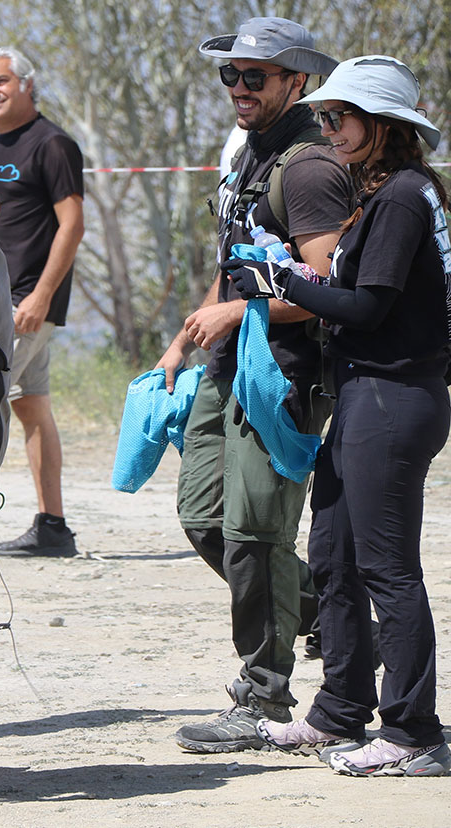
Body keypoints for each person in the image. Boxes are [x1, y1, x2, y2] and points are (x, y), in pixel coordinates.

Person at [229, 55, 451, 777]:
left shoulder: (402, 198)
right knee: (332, 554)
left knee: (388, 570)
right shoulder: (386, 194)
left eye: (340, 117)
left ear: (383, 125)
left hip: (392, 397)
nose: (328, 129)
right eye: (323, 118)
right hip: (369, 393)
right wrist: (287, 275)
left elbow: (367, 306)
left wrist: (284, 282)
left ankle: (414, 731)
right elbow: (357, 289)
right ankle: (338, 714)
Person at [155, 17, 355, 753]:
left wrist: (241, 309)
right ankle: (336, 624)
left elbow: (330, 285)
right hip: (228, 363)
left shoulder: (308, 167)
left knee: (255, 535)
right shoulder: (251, 155)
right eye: (229, 75)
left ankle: (264, 699)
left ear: (295, 82)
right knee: (205, 517)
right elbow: (239, 255)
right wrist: (186, 336)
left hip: (285, 376)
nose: (238, 88)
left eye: (255, 77)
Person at [0, 46, 84, 558]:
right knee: (32, 408)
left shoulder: (53, 143)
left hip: (22, 304)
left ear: (26, 85)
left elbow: (72, 224)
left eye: (1, 81)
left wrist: (40, 295)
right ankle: (53, 527)